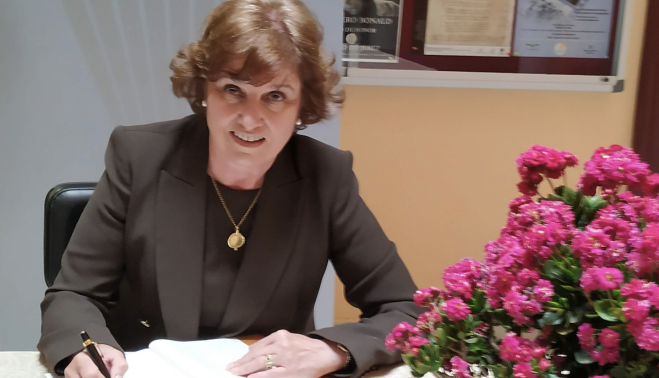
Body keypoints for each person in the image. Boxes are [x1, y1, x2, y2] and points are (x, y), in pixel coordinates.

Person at [38, 1, 420, 377]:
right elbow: (74, 295)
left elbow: (406, 310)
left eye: (276, 95)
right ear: (205, 89)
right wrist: (87, 349)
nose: (251, 118)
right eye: (233, 88)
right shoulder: (138, 157)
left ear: (303, 104)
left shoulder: (326, 175)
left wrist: (331, 349)